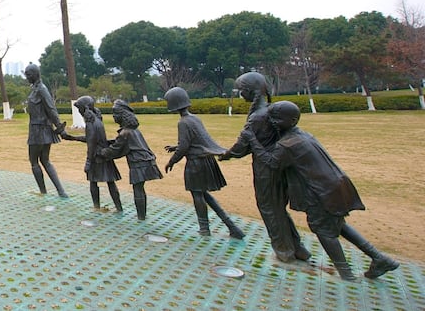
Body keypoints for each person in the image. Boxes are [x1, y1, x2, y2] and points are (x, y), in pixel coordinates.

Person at [243, 101, 400, 281]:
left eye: (275, 119)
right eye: (270, 118)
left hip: (320, 192)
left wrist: (252, 140)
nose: (271, 122)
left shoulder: (288, 144)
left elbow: (271, 163)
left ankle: (346, 273)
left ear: (290, 121)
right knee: (338, 225)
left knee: (324, 230)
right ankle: (379, 258)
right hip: (336, 185)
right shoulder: (303, 135)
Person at [220, 72, 309, 262]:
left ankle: (284, 250)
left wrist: (226, 154)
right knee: (278, 208)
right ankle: (298, 248)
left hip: (266, 170)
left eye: (242, 90)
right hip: (279, 167)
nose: (241, 94)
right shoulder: (269, 111)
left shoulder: (257, 117)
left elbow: (243, 146)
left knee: (269, 209)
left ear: (250, 91)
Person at [163, 87, 244, 238]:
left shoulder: (183, 122)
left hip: (196, 163)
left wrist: (171, 161)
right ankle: (232, 227)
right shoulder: (194, 118)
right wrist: (176, 147)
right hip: (206, 160)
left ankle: (205, 229)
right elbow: (194, 140)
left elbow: (184, 148)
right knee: (204, 194)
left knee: (198, 195)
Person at [98, 99, 163, 220]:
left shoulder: (125, 133)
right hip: (146, 161)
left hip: (139, 163)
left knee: (137, 189)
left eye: (115, 113)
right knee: (139, 188)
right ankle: (142, 215)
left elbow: (116, 150)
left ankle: (141, 217)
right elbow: (119, 143)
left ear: (122, 115)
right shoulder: (132, 130)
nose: (114, 116)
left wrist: (101, 152)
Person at [62, 96, 123, 212]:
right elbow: (91, 139)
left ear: (84, 108)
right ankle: (119, 207)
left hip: (96, 156)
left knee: (93, 182)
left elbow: (91, 144)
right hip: (104, 154)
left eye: (79, 108)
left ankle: (96, 207)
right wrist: (72, 138)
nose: (79, 112)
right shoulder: (97, 119)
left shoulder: (90, 123)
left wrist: (88, 162)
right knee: (110, 182)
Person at [23, 63, 68, 197]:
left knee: (35, 161)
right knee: (43, 160)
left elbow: (51, 109)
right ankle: (58, 191)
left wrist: (59, 127)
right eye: (26, 74)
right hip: (38, 129)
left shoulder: (42, 89)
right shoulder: (35, 89)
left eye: (29, 74)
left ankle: (50, 191)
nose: (27, 77)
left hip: (39, 130)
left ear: (36, 74)